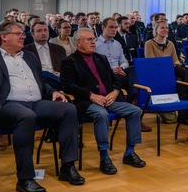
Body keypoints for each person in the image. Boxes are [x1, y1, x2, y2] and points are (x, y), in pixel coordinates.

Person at [0, 20, 84, 192]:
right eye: (18, 33)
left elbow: (40, 82)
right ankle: (25, 178)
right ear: (4, 37)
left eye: (22, 33)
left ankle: (68, 166)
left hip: (35, 103)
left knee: (68, 109)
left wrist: (53, 92)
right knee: (26, 116)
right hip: (5, 105)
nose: (23, 36)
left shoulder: (29, 56)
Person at [61, 29, 146, 175]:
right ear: (78, 42)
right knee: (102, 114)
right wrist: (91, 95)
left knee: (135, 111)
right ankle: (104, 157)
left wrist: (115, 92)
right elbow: (68, 86)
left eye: (93, 39)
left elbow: (115, 81)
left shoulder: (101, 58)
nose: (93, 42)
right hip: (87, 102)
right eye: (88, 40)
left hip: (109, 99)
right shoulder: (69, 62)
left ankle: (130, 152)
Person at [23, 21, 67, 89]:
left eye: (45, 30)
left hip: (56, 79)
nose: (43, 33)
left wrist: (62, 74)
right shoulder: (26, 50)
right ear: (32, 34)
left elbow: (65, 67)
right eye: (39, 31)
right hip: (38, 81)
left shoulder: (59, 49)